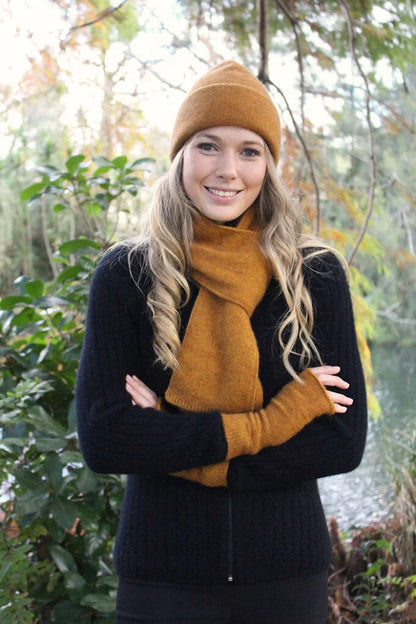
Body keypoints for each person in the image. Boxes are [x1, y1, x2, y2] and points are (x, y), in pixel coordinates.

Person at [76, 60, 367, 624]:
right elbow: (106, 438)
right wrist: (279, 419)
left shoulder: (314, 274)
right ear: (181, 155)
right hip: (162, 577)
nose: (228, 170)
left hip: (286, 577)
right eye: (208, 146)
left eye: (249, 151)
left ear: (269, 165)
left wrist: (172, 436)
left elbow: (341, 440)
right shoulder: (128, 274)